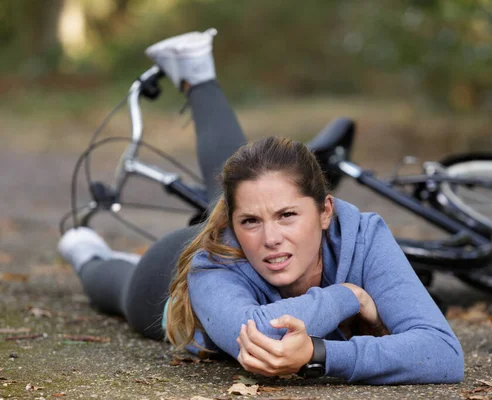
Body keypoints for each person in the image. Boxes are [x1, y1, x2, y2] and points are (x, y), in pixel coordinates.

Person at [58, 30, 464, 385]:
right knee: (114, 284)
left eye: (288, 215)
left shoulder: (363, 235)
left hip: (239, 223)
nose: (271, 239)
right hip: (163, 279)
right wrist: (348, 297)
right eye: (250, 221)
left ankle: (198, 77)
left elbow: (443, 353)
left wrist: (320, 355)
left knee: (247, 180)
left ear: (326, 211)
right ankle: (84, 249)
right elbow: (258, 336)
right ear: (233, 222)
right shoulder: (211, 261)